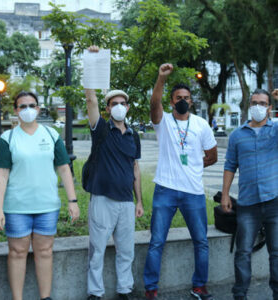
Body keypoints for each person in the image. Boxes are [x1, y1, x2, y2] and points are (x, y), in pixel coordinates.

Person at [0, 91, 80, 300]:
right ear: (16, 110)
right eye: (22, 106)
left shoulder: (51, 135)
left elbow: (64, 168)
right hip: (17, 207)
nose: (28, 110)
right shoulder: (8, 138)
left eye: (32, 105)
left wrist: (73, 200)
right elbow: (2, 175)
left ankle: (45, 297)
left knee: (45, 252)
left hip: (47, 206)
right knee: (17, 252)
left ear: (39, 109)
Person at [143, 63, 217, 300]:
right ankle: (151, 288)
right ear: (172, 101)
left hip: (193, 192)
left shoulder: (201, 125)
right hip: (165, 189)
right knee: (156, 242)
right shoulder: (163, 121)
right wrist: (161, 79)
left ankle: (199, 286)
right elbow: (154, 104)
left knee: (201, 241)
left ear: (191, 101)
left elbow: (212, 155)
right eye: (178, 98)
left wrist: (194, 166)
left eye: (186, 97)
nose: (182, 100)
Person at [84, 46, 144, 300]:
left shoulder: (134, 135)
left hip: (126, 203)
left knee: (126, 251)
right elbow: (90, 99)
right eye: (113, 103)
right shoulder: (101, 130)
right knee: (97, 250)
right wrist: (91, 62)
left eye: (122, 103)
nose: (118, 106)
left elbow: (135, 168)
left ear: (128, 108)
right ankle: (95, 293)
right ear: (108, 109)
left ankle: (124, 290)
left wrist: (139, 200)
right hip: (103, 199)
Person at [221, 88, 278, 300]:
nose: (258, 107)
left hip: (274, 201)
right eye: (255, 102)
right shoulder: (237, 135)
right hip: (247, 204)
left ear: (270, 108)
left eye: (263, 103)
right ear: (249, 106)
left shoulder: (276, 130)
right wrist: (225, 195)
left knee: (277, 253)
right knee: (243, 252)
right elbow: (230, 165)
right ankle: (240, 295)